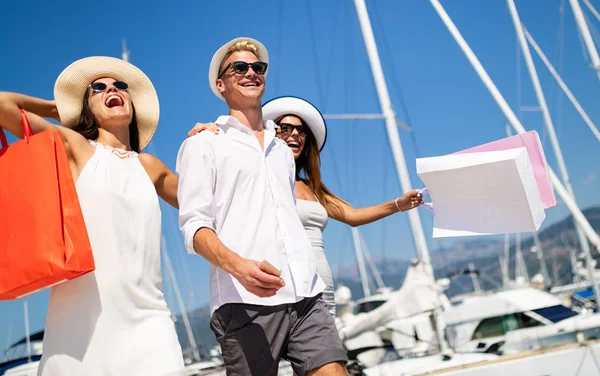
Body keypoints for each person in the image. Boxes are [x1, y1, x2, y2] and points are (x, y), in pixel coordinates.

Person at [0, 56, 184, 376]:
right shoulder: (77, 147)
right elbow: (3, 105)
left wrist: (207, 139)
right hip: (78, 333)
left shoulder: (150, 167)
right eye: (97, 88)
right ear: (88, 108)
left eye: (119, 85)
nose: (111, 88)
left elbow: (209, 204)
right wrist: (53, 108)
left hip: (149, 325)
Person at [177, 37, 349, 376]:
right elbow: (194, 227)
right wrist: (239, 266)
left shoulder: (283, 152)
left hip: (305, 294)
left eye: (258, 68)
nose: (251, 72)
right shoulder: (204, 144)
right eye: (239, 68)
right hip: (242, 301)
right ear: (220, 84)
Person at [188, 96, 424, 317]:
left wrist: (398, 204)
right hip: (278, 287)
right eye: (285, 128)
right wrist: (211, 138)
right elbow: (205, 197)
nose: (294, 134)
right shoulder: (256, 181)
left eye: (301, 131)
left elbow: (352, 216)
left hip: (320, 285)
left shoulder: (311, 187)